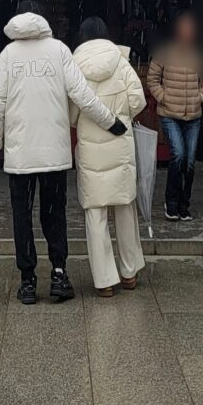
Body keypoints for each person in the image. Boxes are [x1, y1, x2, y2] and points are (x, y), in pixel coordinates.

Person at [0, 0, 127, 306]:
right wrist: (112, 123)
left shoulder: (8, 55)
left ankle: (27, 280)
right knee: (54, 215)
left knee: (21, 216)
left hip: (20, 152)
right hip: (53, 151)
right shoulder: (60, 50)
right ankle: (59, 274)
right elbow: (82, 95)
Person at [71, 17, 147, 297]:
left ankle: (104, 281)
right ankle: (129, 272)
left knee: (96, 212)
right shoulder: (122, 63)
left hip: (91, 148)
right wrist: (120, 114)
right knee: (125, 207)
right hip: (120, 143)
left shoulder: (74, 67)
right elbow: (138, 101)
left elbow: (70, 113)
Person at [147, 12, 203, 220]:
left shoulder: (198, 55)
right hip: (169, 113)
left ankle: (184, 204)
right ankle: (171, 201)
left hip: (193, 113)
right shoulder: (165, 52)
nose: (187, 33)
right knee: (179, 155)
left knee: (190, 161)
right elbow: (152, 79)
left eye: (190, 29)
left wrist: (199, 96)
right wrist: (163, 97)